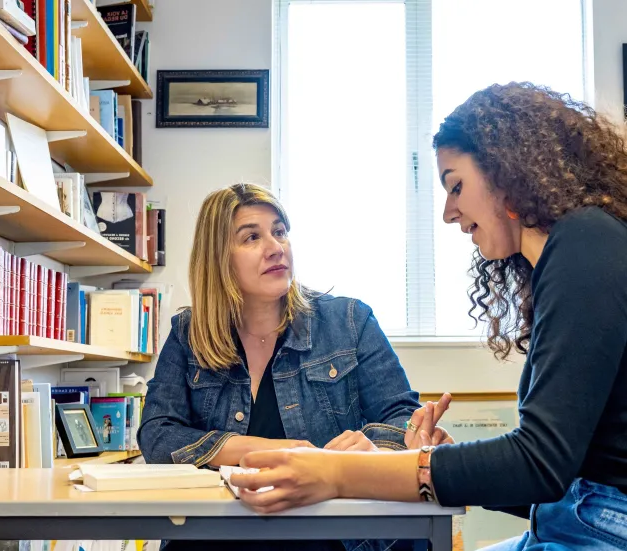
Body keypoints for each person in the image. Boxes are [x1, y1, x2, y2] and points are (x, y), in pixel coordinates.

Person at [231, 82, 627, 551]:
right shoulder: (572, 255)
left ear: (508, 173)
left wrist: (341, 473)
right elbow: (549, 475)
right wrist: (433, 460)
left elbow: (539, 463)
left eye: (456, 185)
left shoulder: (585, 243)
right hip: (579, 515)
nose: (448, 212)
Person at [137, 183, 449, 551]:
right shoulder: (189, 334)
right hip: (218, 534)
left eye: (280, 232)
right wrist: (269, 449)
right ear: (217, 258)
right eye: (252, 237)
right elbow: (157, 434)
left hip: (332, 536)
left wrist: (371, 448)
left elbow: (402, 417)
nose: (275, 247)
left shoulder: (349, 320)